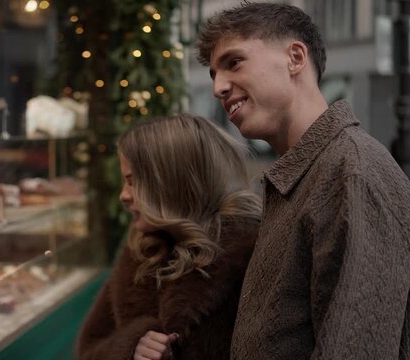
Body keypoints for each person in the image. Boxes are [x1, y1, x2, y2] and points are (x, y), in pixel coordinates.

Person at [196, 2, 410, 359]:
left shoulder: (352, 173)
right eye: (213, 74)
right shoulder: (309, 171)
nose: (219, 87)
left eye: (234, 63)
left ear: (295, 57)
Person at [76, 114, 262, 360]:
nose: (123, 195)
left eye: (133, 182)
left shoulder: (251, 253)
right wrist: (131, 346)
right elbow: (89, 349)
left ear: (170, 183)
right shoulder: (140, 249)